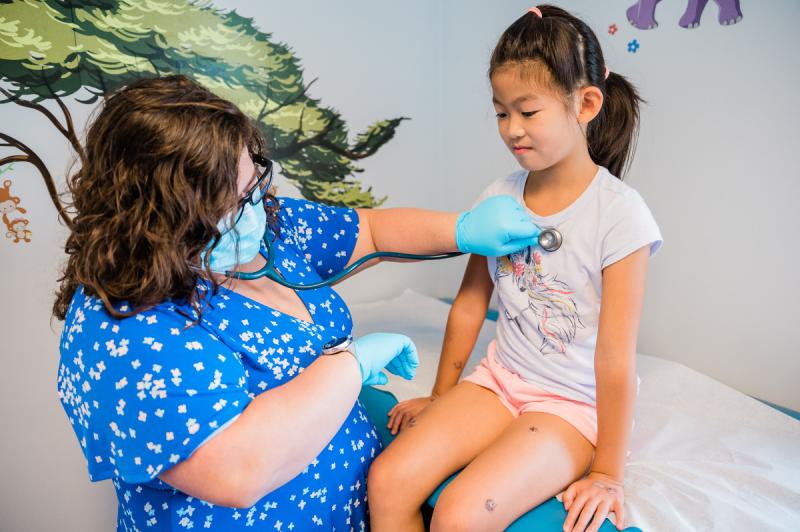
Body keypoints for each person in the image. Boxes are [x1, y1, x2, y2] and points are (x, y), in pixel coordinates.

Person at [53, 75, 544, 531]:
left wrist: (463, 229)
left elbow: (371, 232)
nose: (256, 210)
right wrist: (349, 365)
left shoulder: (266, 225)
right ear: (160, 221)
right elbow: (236, 469)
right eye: (230, 204)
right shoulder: (119, 329)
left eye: (254, 186)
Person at [369, 5, 663, 532]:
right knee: (388, 478)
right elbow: (469, 305)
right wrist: (439, 399)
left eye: (528, 112)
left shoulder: (620, 215)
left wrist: (608, 473)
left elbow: (616, 356)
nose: (511, 129)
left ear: (586, 104)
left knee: (459, 513)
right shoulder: (499, 195)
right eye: (502, 112)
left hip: (571, 406)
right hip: (500, 381)